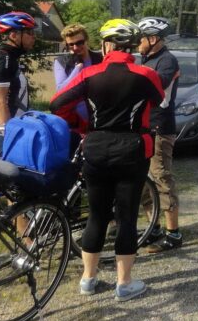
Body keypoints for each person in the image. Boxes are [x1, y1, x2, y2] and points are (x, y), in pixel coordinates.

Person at [50, 19, 164, 301]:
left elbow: (56, 103)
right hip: (132, 149)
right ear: (132, 46)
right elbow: (159, 100)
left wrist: (79, 122)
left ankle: (88, 280)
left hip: (96, 147)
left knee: (97, 214)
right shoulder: (146, 74)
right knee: (126, 217)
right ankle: (124, 284)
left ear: (105, 44)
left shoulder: (89, 74)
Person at [136, 17, 183, 252]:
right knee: (143, 181)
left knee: (162, 177)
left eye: (140, 38)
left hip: (160, 128)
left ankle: (173, 233)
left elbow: (154, 89)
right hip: (143, 128)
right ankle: (153, 226)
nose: (137, 43)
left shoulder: (167, 60)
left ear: (153, 39)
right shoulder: (147, 59)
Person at [0, 11, 37, 126]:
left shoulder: (8, 57)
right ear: (13, 35)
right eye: (29, 32)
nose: (34, 36)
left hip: (6, 125)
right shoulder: (3, 58)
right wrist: (9, 134)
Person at [53, 24, 103, 130]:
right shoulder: (61, 62)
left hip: (100, 118)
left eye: (80, 43)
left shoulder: (100, 59)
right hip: (74, 122)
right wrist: (77, 69)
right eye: (71, 45)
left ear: (86, 40)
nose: (76, 48)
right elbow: (61, 90)